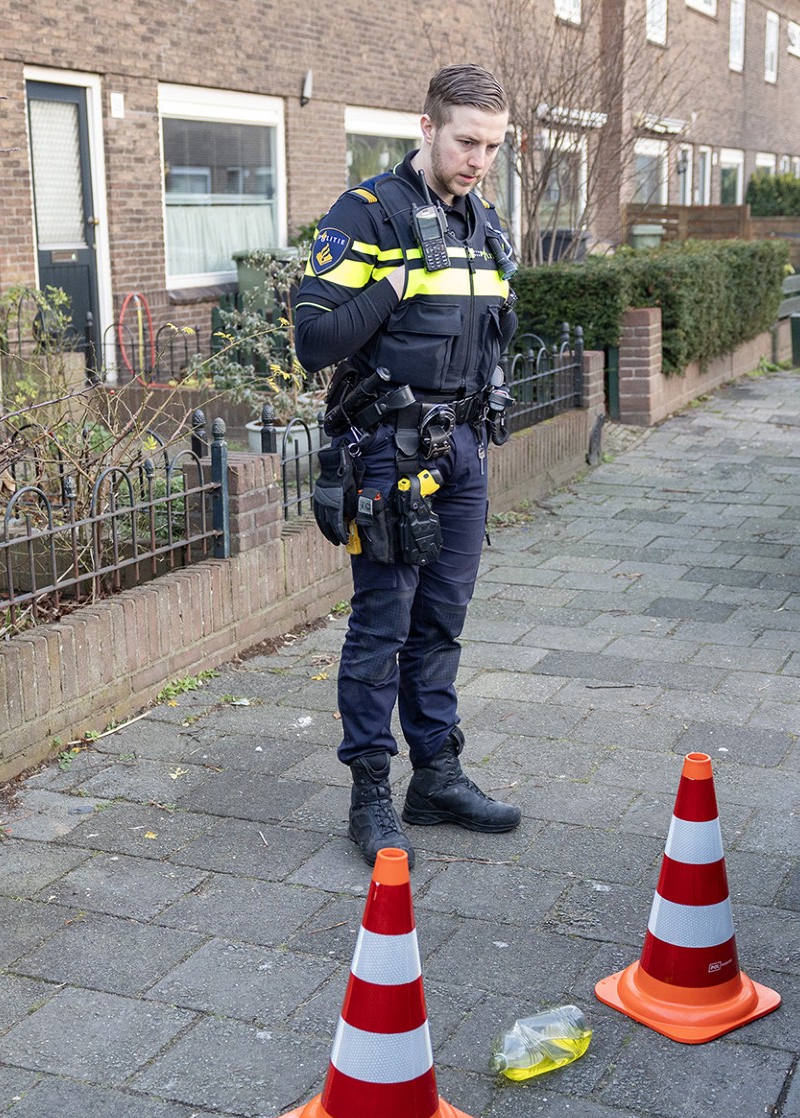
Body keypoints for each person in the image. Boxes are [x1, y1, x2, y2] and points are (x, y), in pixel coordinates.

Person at [292, 64, 522, 866]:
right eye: (466, 141)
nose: (478, 159)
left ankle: (437, 775)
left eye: (492, 146)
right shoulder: (367, 214)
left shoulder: (482, 224)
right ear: (425, 128)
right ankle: (369, 796)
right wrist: (392, 283)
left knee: (441, 622)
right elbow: (313, 339)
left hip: (461, 452)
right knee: (381, 626)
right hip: (388, 452)